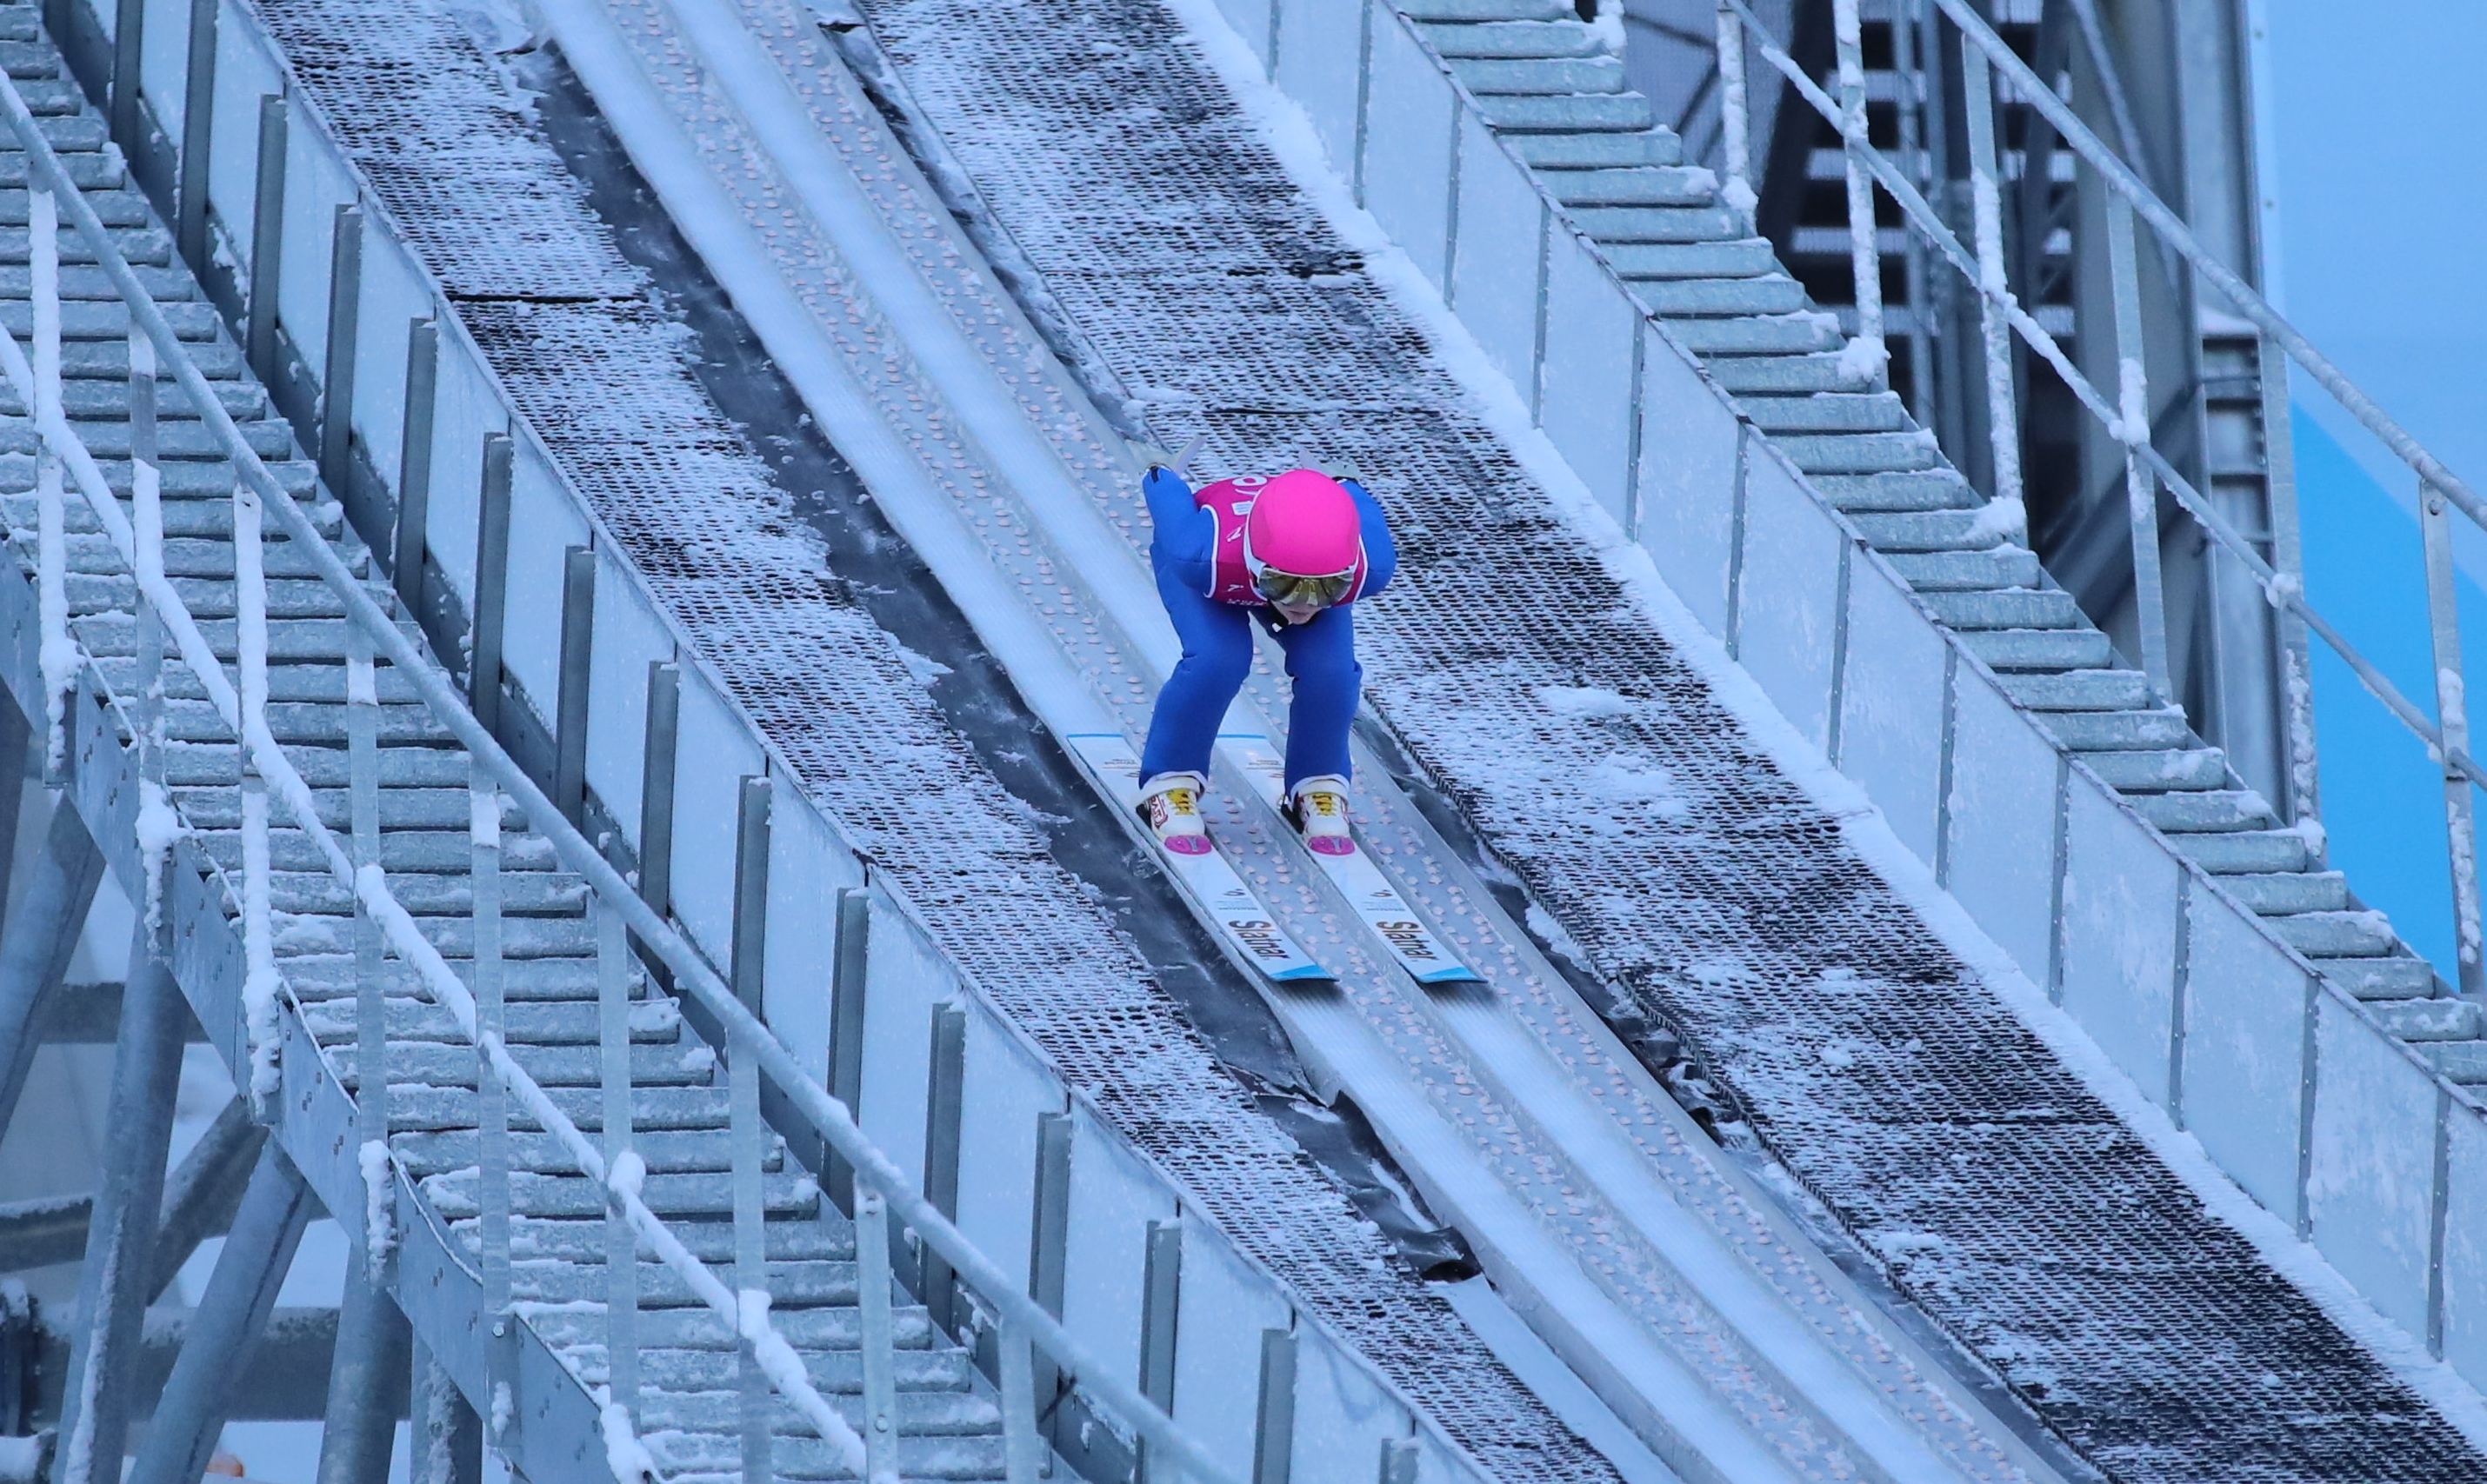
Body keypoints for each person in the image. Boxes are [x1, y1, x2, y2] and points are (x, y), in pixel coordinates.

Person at [1134, 456, 1397, 857]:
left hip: (1263, 561)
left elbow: (1360, 505)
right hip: (1224, 576)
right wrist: (1161, 475)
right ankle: (1170, 781)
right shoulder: (1202, 554)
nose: (1304, 604)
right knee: (1217, 659)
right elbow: (1168, 497)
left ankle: (1319, 783)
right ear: (1259, 569)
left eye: (1327, 588)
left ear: (1347, 573)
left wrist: (1345, 485)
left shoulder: (1368, 565)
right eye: (1285, 585)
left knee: (1332, 672)